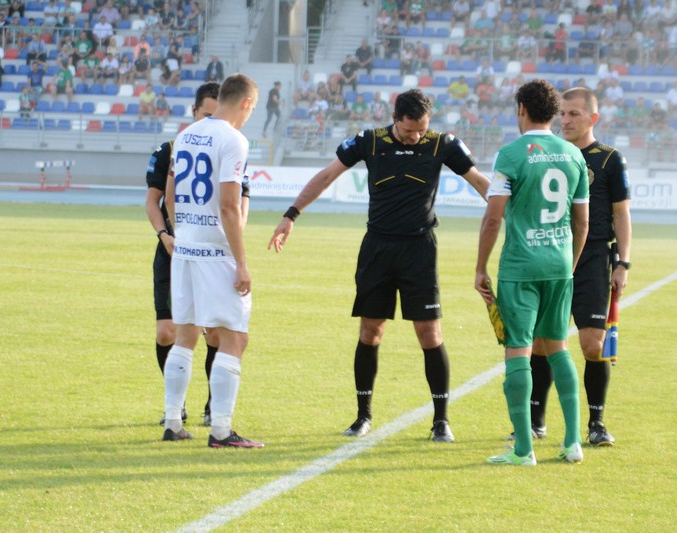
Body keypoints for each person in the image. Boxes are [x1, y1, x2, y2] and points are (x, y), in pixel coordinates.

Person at [268, 88, 491, 443]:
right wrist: (291, 214)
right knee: (370, 332)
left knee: (430, 334)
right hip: (377, 248)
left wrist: (513, 212)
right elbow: (327, 176)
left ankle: (441, 421)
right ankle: (363, 416)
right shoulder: (369, 142)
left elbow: (480, 182)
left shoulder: (443, 144)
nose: (415, 137)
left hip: (419, 250)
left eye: (421, 130)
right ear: (395, 118)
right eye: (409, 131)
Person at [475, 79, 589, 466]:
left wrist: (480, 268)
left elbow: (493, 218)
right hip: (559, 265)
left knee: (518, 351)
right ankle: (572, 442)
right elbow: (582, 222)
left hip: (521, 266)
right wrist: (569, 265)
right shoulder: (573, 154)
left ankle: (524, 449)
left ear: (521, 109)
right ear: (554, 112)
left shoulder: (510, 154)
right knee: (558, 348)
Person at [524, 86, 631, 449]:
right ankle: (535, 421)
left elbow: (621, 214)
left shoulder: (610, 159)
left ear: (593, 118)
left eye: (574, 114)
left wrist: (623, 262)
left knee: (592, 344)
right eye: (563, 114)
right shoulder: (549, 153)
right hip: (552, 253)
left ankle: (596, 423)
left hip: (594, 258)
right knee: (541, 342)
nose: (566, 121)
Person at [161, 74, 262, 447]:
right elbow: (229, 206)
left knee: (185, 334)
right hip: (216, 252)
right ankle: (220, 430)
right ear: (246, 103)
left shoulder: (186, 134)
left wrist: (183, 233)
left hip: (185, 249)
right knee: (235, 337)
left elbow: (170, 196)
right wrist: (241, 262)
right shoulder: (234, 140)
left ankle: (173, 421)